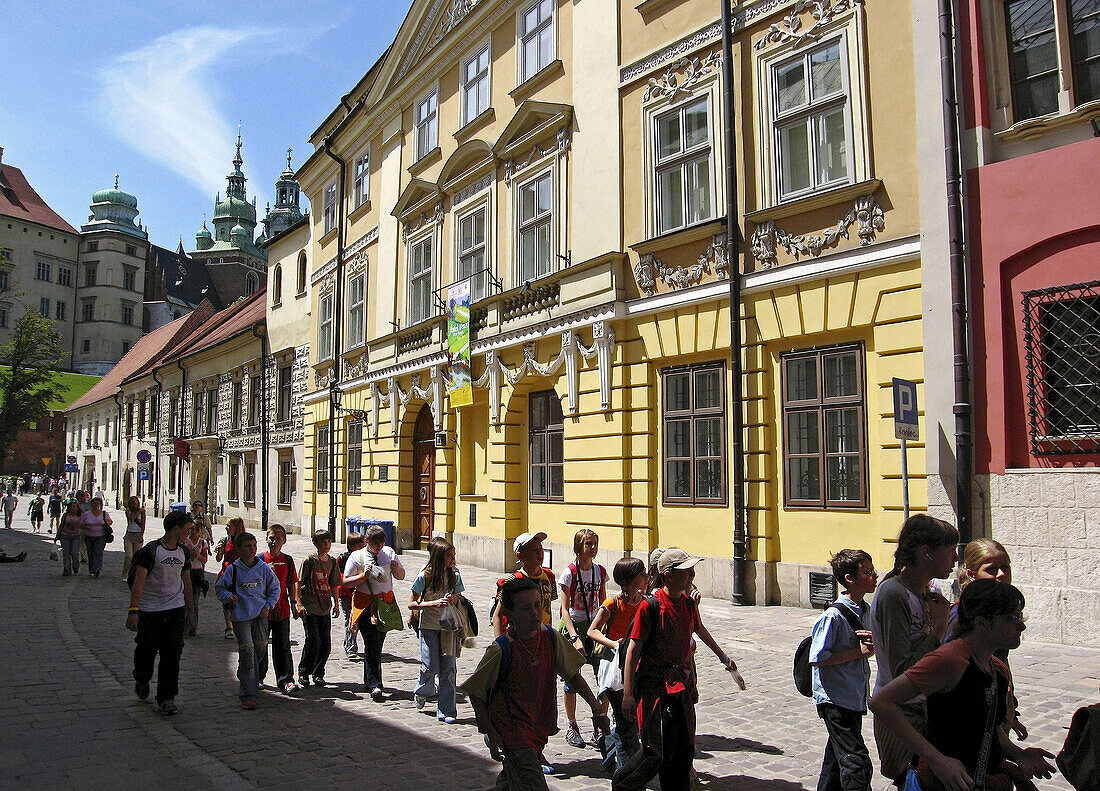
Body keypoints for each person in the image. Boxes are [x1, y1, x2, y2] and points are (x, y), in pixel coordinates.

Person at [869, 580, 1057, 791]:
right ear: (982, 623)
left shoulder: (996, 669)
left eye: (1020, 617)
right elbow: (881, 702)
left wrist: (1018, 754)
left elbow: (990, 730)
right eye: (1011, 618)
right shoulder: (950, 659)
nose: (1021, 625)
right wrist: (937, 760)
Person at [460, 576, 612, 791]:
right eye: (525, 608)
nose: (534, 612)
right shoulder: (502, 649)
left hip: (536, 728)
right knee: (532, 782)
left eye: (537, 605)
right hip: (511, 730)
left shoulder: (550, 638)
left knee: (511, 781)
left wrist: (597, 710)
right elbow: (476, 692)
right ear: (509, 614)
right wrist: (491, 732)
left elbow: (573, 674)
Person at [613, 548, 746, 791]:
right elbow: (633, 649)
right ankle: (623, 782)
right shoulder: (650, 607)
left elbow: (699, 629)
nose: (691, 574)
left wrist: (723, 657)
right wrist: (628, 694)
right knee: (656, 751)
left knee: (683, 749)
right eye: (685, 570)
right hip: (655, 688)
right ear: (668, 575)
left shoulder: (687, 603)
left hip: (680, 685)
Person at [870, 514, 960, 786]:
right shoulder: (894, 593)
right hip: (902, 713)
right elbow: (903, 671)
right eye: (950, 551)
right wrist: (940, 626)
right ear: (925, 553)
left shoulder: (923, 592)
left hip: (923, 708)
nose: (955, 559)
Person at [809, 549, 879, 791]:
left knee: (836, 761)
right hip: (835, 698)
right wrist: (858, 653)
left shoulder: (867, 610)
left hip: (854, 694)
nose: (874, 576)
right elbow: (817, 657)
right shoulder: (833, 616)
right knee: (856, 762)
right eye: (868, 573)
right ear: (850, 578)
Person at [125, 511, 196, 716]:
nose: (189, 533)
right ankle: (142, 678)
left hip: (174, 610)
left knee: (172, 655)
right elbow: (139, 582)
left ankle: (166, 698)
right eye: (187, 529)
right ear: (176, 529)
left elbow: (187, 582)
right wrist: (133, 611)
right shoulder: (151, 551)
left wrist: (191, 611)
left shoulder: (183, 551)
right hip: (150, 611)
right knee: (145, 653)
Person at [588, 556, 649, 772]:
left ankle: (609, 746)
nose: (647, 576)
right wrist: (613, 644)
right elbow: (592, 631)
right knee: (627, 725)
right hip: (615, 669)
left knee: (628, 723)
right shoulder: (612, 603)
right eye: (642, 573)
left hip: (636, 669)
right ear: (632, 578)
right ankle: (626, 774)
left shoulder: (644, 602)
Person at [214, 531, 280, 710]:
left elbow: (275, 588)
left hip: (260, 616)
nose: (252, 550)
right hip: (241, 617)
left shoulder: (263, 568)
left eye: (254, 546)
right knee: (248, 652)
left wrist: (268, 605)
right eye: (247, 546)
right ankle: (248, 694)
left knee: (260, 649)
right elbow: (220, 588)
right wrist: (229, 596)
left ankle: (245, 673)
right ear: (239, 549)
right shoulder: (233, 569)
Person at [559, 528, 610, 749]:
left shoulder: (600, 572)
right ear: (579, 546)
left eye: (595, 543)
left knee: (605, 677)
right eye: (589, 543)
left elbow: (604, 603)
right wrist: (574, 638)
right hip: (574, 627)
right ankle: (572, 725)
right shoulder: (569, 573)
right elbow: (564, 609)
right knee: (571, 680)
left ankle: (600, 724)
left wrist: (604, 631)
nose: (593, 547)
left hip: (594, 627)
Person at [344, 524, 405, 700]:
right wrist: (363, 576)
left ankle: (369, 679)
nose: (379, 546)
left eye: (381, 542)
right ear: (366, 541)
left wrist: (396, 568)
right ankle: (375, 684)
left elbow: (401, 576)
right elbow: (346, 582)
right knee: (371, 643)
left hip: (384, 605)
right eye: (375, 543)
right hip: (365, 604)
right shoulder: (357, 556)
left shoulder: (389, 553)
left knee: (378, 643)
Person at [408, 536, 465, 723]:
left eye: (453, 555)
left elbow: (459, 598)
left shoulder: (454, 575)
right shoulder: (425, 575)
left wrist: (453, 599)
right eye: (450, 556)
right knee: (431, 664)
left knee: (448, 668)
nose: (453, 559)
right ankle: (423, 689)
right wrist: (433, 603)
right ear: (439, 557)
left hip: (448, 627)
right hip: (428, 625)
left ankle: (447, 710)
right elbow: (411, 604)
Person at [296, 530, 342, 687]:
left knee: (325, 643)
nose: (326, 545)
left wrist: (336, 603)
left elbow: (334, 583)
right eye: (323, 542)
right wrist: (298, 603)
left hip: (325, 606)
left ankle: (318, 672)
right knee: (313, 640)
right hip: (310, 606)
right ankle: (304, 672)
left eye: (329, 542)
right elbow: (299, 581)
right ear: (315, 543)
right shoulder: (309, 561)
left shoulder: (332, 562)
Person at [491, 531, 557, 638]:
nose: (539, 552)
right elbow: (498, 616)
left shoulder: (549, 576)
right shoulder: (513, 580)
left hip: (543, 636)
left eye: (540, 548)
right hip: (521, 638)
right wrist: (500, 644)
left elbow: (547, 609)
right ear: (520, 555)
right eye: (533, 550)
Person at [261, 524, 300, 695]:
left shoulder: (288, 560)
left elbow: (292, 582)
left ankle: (285, 680)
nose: (274, 542)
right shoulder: (260, 560)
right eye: (272, 538)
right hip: (262, 611)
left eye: (278, 539)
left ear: (284, 540)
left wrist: (294, 603)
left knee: (283, 645)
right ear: (266, 539)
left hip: (281, 610)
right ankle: (258, 676)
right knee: (260, 644)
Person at [337, 532, 365, 659]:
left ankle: (349, 644)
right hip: (346, 594)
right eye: (359, 545)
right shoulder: (343, 558)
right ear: (351, 546)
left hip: (359, 593)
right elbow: (339, 578)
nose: (362, 547)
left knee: (357, 620)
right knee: (350, 619)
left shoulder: (363, 557)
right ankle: (350, 648)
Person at [215, 517, 244, 639]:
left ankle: (240, 624)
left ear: (236, 527)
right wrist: (220, 550)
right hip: (226, 573)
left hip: (240, 575)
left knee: (240, 601)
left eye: (228, 526)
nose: (226, 528)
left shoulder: (243, 541)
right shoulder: (225, 540)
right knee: (226, 602)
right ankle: (229, 627)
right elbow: (218, 559)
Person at [182, 521, 210, 635]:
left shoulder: (203, 543)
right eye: (191, 529)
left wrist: (197, 556)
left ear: (200, 531)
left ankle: (193, 627)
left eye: (195, 530)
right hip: (186, 571)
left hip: (197, 573)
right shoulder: (184, 542)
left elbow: (205, 559)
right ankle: (184, 626)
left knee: (194, 601)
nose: (192, 532)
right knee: (184, 601)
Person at [79, 496, 113, 578]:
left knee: (98, 552)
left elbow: (110, 521)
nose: (96, 505)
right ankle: (92, 570)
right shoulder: (86, 514)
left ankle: (97, 569)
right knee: (90, 553)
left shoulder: (104, 513)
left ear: (100, 504)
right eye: (94, 503)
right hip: (89, 536)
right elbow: (80, 523)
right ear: (91, 504)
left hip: (101, 536)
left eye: (97, 503)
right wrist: (85, 526)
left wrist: (106, 522)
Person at [122, 496, 146, 581]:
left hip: (138, 535)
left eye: (135, 503)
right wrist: (139, 511)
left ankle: (133, 574)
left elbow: (143, 524)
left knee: (136, 557)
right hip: (129, 535)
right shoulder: (128, 511)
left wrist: (141, 535)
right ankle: (125, 573)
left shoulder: (143, 512)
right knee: (129, 556)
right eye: (132, 503)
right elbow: (131, 518)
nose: (134, 505)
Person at [57, 501, 82, 575]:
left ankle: (76, 566)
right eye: (71, 506)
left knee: (74, 553)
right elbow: (61, 525)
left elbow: (83, 525)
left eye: (74, 506)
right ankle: (67, 570)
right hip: (65, 535)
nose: (72, 508)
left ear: (77, 508)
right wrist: (57, 536)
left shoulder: (80, 515)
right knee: (66, 554)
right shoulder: (65, 515)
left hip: (76, 536)